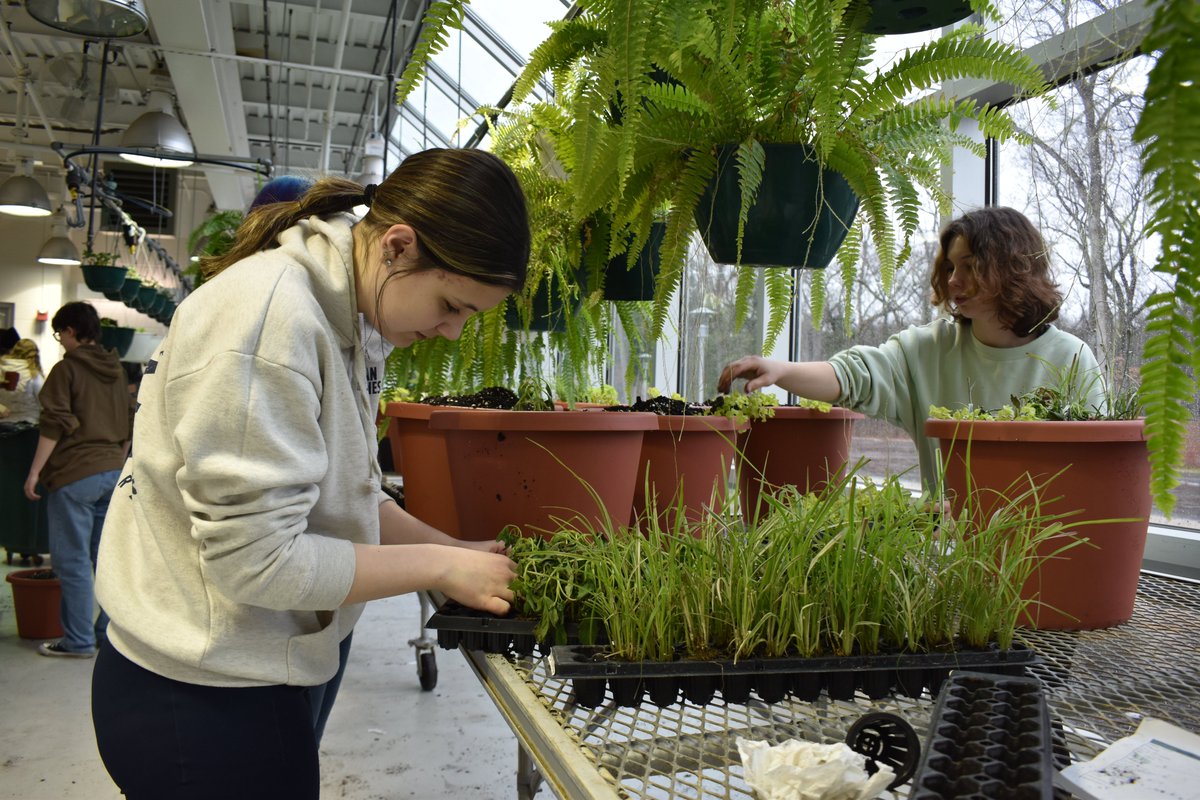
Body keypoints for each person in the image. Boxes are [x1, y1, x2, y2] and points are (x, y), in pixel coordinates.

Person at [91, 147, 530, 799]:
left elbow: (348, 493)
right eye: (452, 305)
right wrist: (440, 571)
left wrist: (453, 549)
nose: (452, 333)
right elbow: (257, 561)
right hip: (201, 697)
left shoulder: (346, 318)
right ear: (399, 247)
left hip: (249, 671)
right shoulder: (271, 323)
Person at [717, 206, 1107, 490]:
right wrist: (781, 371)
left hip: (1042, 554)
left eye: (970, 266)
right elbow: (855, 376)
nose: (954, 281)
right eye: (951, 268)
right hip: (947, 558)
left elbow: (1095, 472)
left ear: (1012, 268)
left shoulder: (1070, 359)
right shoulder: (929, 349)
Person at [23, 303, 133, 657]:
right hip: (113, 473)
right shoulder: (116, 370)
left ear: (71, 331)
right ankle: (106, 635)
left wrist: (35, 471)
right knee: (106, 560)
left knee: (72, 562)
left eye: (60, 334)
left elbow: (53, 425)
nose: (61, 341)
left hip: (75, 475)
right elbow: (132, 421)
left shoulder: (66, 370)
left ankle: (79, 641)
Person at [0, 338, 44, 428]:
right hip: (28, 423)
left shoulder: (1, 369)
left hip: (3, 424)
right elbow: (43, 402)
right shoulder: (34, 375)